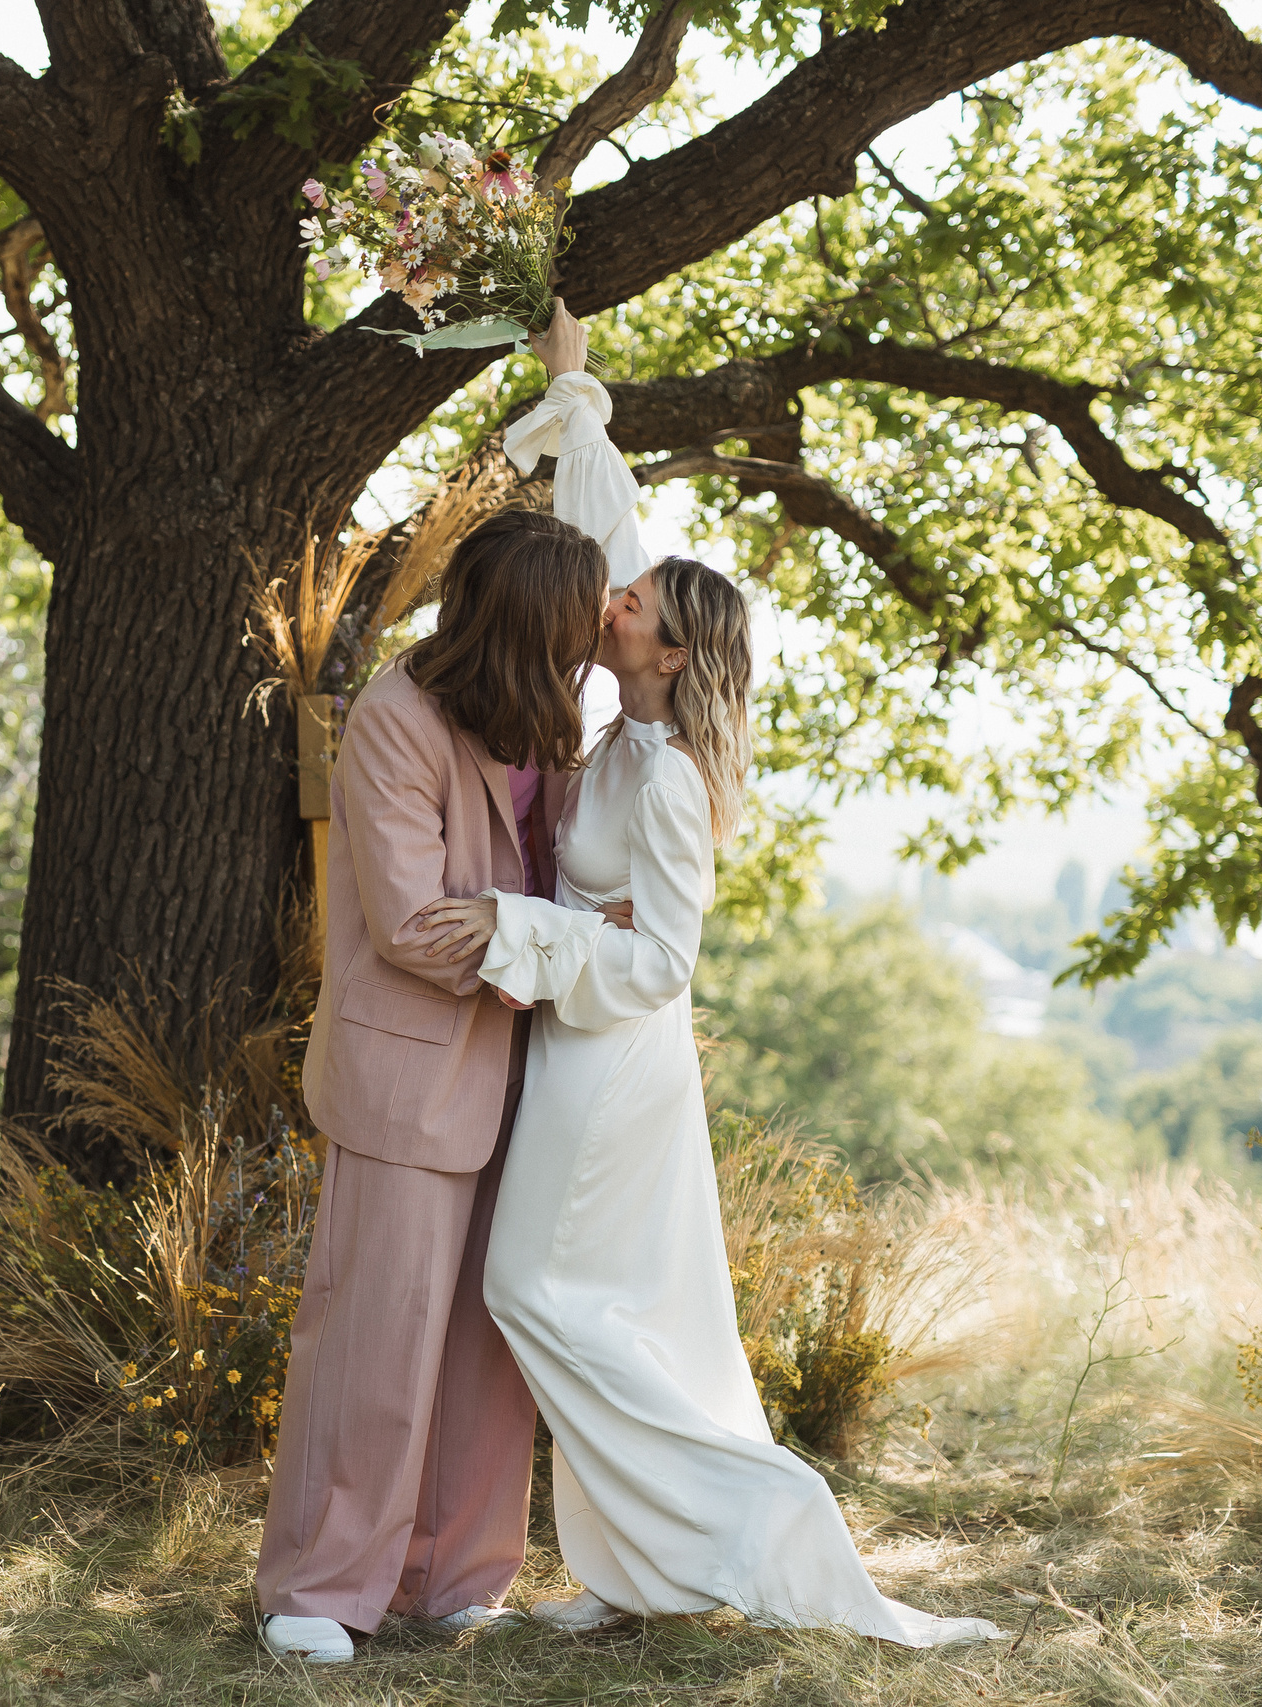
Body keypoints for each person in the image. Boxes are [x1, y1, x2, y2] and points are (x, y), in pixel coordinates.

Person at [415, 305, 1002, 1644]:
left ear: (667, 651)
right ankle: (642, 1574)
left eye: (629, 606)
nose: (604, 602)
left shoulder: (672, 781)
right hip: (566, 1038)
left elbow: (665, 960)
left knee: (534, 1293)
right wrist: (574, 395)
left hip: (611, 1061)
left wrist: (523, 926)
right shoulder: (623, 717)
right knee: (596, 1303)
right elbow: (612, 540)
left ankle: (759, 1517)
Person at [252, 433, 637, 1658]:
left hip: (533, 1074)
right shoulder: (395, 717)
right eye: (581, 622)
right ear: (531, 625)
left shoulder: (548, 713)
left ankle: (453, 1577)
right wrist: (561, 943)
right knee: (377, 1339)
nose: (597, 640)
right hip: (408, 1080)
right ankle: (317, 1592)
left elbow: (559, 885)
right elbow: (419, 926)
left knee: (491, 1344)